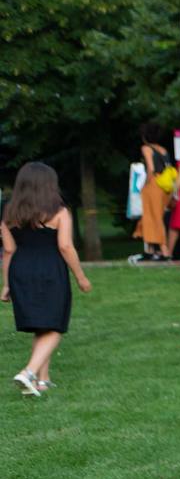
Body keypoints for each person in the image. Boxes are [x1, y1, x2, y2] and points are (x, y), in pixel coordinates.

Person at [3, 163, 92, 396]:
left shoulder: (10, 214)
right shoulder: (60, 212)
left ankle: (43, 380)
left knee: (41, 324)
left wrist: (6, 284)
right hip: (49, 271)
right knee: (54, 325)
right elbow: (65, 246)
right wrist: (80, 277)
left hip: (20, 271)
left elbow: (9, 250)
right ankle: (29, 372)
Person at [133, 125, 174, 262]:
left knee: (153, 217)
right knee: (153, 217)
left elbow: (150, 168)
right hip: (165, 186)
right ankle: (150, 250)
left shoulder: (146, 148)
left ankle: (164, 251)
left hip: (154, 184)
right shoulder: (163, 150)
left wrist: (144, 185)